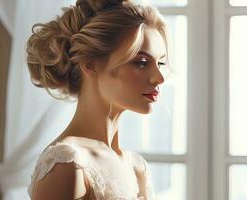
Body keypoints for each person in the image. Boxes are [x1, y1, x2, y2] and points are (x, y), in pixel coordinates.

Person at [25, 0, 170, 199]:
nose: (159, 78)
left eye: (160, 63)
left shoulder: (136, 168)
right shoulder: (67, 166)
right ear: (90, 64)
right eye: (142, 62)